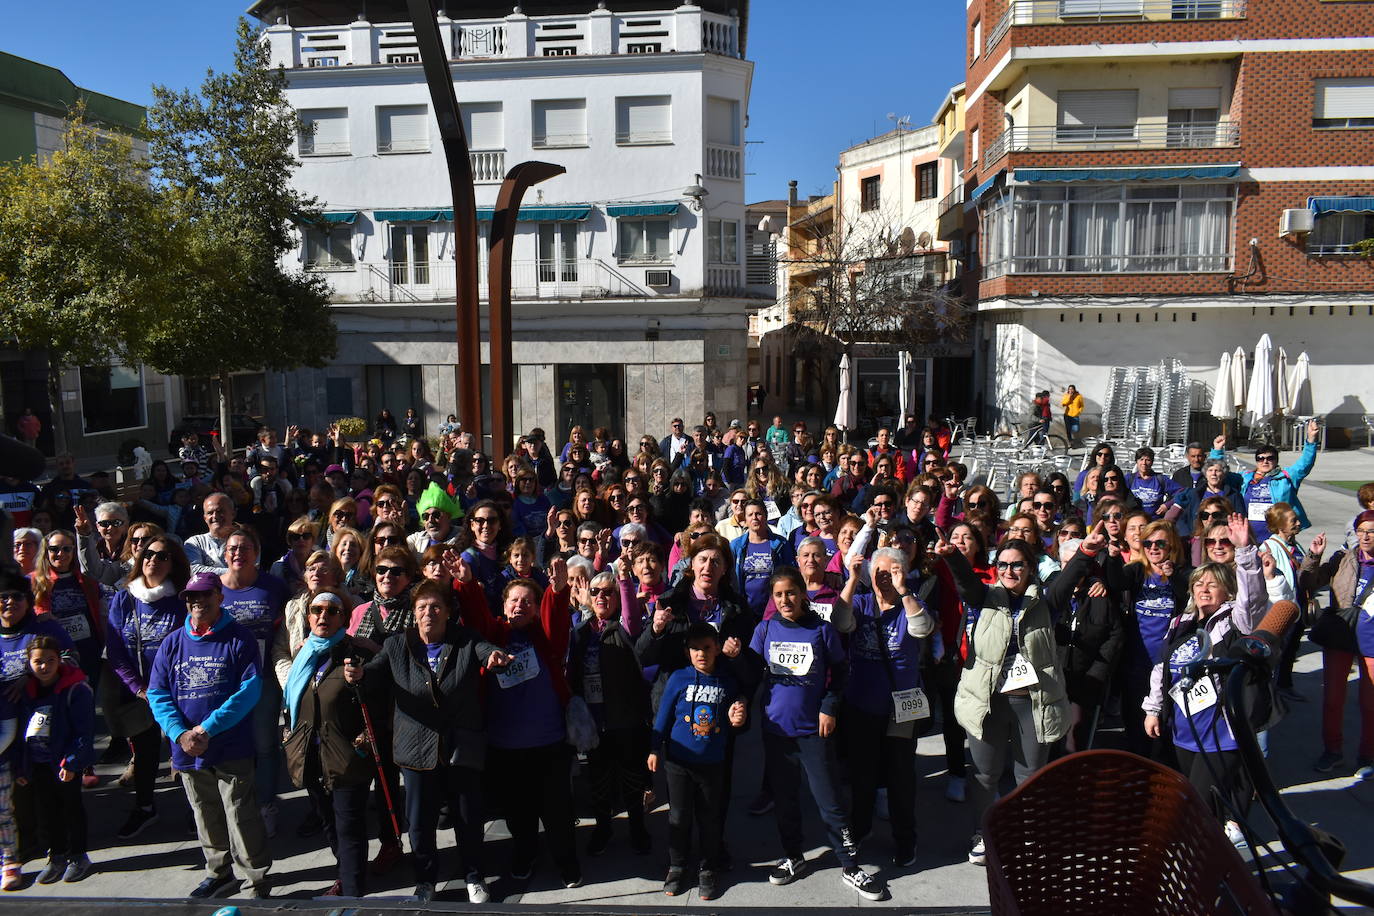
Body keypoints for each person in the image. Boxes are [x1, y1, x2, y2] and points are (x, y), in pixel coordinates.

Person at [750, 567, 885, 900]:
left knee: (830, 802)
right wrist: (733, 658)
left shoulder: (821, 629)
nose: (785, 600)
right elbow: (749, 672)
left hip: (813, 731)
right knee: (785, 800)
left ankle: (850, 865)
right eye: (778, 594)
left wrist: (829, 707)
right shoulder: (765, 629)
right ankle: (793, 856)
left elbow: (840, 672)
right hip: (777, 731)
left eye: (790, 593)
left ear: (802, 593)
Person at [938, 534, 1070, 867]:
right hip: (989, 701)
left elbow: (1067, 582)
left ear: (1031, 568)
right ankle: (983, 833)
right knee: (985, 774)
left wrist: (1086, 552)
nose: (1009, 571)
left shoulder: (1046, 601)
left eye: (1017, 565)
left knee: (1030, 775)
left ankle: (1028, 834)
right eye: (1003, 564)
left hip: (1033, 702)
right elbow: (966, 583)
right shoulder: (985, 596)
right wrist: (953, 556)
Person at [147, 572, 272, 899]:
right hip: (188, 748)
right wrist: (180, 733)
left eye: (204, 595)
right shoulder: (172, 642)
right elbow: (157, 693)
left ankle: (255, 880)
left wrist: (206, 728)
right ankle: (219, 873)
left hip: (231, 746)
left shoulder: (240, 638)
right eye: (191, 597)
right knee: (204, 813)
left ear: (219, 596)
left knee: (241, 815)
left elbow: (250, 690)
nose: (197, 602)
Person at [1142, 559, 1267, 846]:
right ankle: (1217, 852)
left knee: (1196, 801)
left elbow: (1253, 600)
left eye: (1212, 584)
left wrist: (1246, 554)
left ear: (1228, 591)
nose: (1204, 589)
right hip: (1184, 730)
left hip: (1221, 733)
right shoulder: (1180, 623)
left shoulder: (1235, 622)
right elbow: (1162, 668)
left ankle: (1197, 857)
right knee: (1205, 803)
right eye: (1198, 584)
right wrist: (1153, 709)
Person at [844, 548, 935, 868]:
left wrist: (903, 591)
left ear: (904, 572)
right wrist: (852, 580)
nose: (884, 577)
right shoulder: (860, 603)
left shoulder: (912, 603)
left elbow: (922, 628)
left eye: (892, 570)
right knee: (862, 774)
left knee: (901, 776)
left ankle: (905, 839)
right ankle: (860, 829)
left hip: (902, 707)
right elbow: (841, 622)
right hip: (862, 704)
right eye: (878, 571)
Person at [282, 588, 375, 898]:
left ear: (343, 619)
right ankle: (345, 876)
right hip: (310, 756)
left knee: (349, 827)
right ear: (308, 617)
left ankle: (353, 896)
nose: (323, 616)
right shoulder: (304, 654)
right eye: (317, 610)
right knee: (329, 823)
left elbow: (377, 701)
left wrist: (361, 680)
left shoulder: (355, 654)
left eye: (332, 611)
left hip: (346, 758)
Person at [649, 621, 748, 899]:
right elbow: (663, 715)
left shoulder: (727, 681)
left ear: (717, 648)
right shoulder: (678, 678)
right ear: (687, 652)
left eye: (706, 647)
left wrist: (739, 711)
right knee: (678, 816)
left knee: (710, 818)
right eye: (694, 649)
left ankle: (708, 867)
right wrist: (654, 748)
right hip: (678, 763)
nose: (701, 654)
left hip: (713, 764)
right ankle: (677, 866)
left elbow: (738, 705)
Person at [105, 534, 191, 839]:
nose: (153, 560)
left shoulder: (181, 600)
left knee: (184, 750)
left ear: (173, 564)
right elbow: (115, 650)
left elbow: (192, 644)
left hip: (177, 691)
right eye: (148, 554)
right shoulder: (124, 599)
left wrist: (170, 688)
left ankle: (198, 809)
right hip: (138, 692)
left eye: (162, 556)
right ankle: (144, 807)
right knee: (144, 752)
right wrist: (138, 688)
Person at [571, 565, 651, 857]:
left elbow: (631, 617)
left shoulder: (624, 628)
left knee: (632, 778)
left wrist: (625, 580)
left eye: (608, 592)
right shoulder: (581, 631)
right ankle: (603, 828)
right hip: (594, 722)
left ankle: (637, 827)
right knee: (599, 780)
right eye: (595, 592)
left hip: (625, 720)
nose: (601, 597)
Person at [16, 636, 96, 885]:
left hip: (64, 764)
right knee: (47, 811)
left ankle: (79, 856)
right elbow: (21, 732)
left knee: (71, 808)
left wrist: (72, 762)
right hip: (39, 763)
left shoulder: (76, 689)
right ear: (29, 663)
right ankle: (57, 856)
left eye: (50, 660)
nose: (44, 666)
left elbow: (84, 732)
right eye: (38, 661)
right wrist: (22, 766)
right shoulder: (27, 691)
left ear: (59, 660)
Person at [1302, 512, 1374, 777]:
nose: (1365, 536)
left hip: (1371, 640)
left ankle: (1368, 756)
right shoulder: (1343, 558)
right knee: (1333, 699)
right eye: (1361, 530)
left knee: (1370, 703)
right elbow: (1308, 582)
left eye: (1371, 531)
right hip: (1340, 635)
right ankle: (1332, 751)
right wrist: (1313, 557)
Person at [1209, 419, 1319, 541]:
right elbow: (1219, 474)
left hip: (1278, 536)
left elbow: (1304, 464)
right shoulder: (1245, 478)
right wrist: (1217, 451)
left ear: (1276, 461)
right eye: (1260, 458)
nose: (1265, 461)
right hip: (1248, 536)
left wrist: (1311, 440)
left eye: (1270, 458)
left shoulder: (1286, 477)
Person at [185, 492, 236, 575]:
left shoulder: (245, 540)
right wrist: (234, 572)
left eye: (220, 511)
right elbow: (194, 570)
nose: (215, 516)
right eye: (210, 513)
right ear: (205, 518)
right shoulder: (195, 542)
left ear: (233, 514)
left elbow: (251, 569)